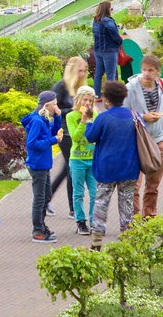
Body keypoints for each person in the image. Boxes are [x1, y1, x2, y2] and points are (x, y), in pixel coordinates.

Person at [85, 81, 139, 251]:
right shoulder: (133, 115)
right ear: (124, 97)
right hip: (130, 168)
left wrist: (87, 121)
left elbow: (91, 137)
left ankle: (97, 240)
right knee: (127, 203)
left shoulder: (103, 117)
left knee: (101, 202)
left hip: (107, 169)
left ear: (106, 99)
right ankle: (127, 238)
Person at [126, 56, 163, 218]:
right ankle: (132, 220)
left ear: (158, 72)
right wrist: (142, 117)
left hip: (159, 141)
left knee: (153, 186)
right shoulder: (131, 88)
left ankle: (149, 218)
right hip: (136, 142)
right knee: (133, 185)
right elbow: (123, 114)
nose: (146, 74)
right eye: (144, 69)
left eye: (151, 70)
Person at [20, 91, 63, 244]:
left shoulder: (43, 118)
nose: (56, 107)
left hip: (43, 164)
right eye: (55, 104)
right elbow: (31, 144)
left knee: (46, 195)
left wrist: (58, 117)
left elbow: (51, 131)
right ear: (47, 105)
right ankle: (37, 230)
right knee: (40, 198)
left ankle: (41, 225)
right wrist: (53, 140)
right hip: (37, 165)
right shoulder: (37, 121)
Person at [49, 56, 89, 219]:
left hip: (76, 132)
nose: (83, 74)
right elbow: (53, 110)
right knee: (72, 168)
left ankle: (46, 199)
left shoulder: (81, 88)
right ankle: (73, 209)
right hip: (64, 133)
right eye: (80, 70)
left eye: (85, 71)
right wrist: (74, 111)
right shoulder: (61, 87)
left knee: (68, 169)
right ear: (73, 70)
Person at [66, 85, 97, 235]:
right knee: (78, 193)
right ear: (78, 99)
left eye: (90, 100)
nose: (87, 103)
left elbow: (98, 136)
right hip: (77, 159)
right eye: (85, 100)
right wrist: (83, 121)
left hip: (92, 159)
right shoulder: (71, 116)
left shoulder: (96, 115)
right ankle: (80, 221)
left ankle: (93, 221)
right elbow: (76, 138)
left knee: (95, 192)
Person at [92, 1, 123, 97]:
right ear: (107, 9)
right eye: (111, 8)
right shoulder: (108, 21)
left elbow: (103, 32)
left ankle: (97, 96)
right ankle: (111, 97)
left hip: (98, 50)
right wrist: (120, 42)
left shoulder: (96, 20)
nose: (112, 10)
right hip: (109, 51)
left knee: (98, 74)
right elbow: (115, 35)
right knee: (110, 75)